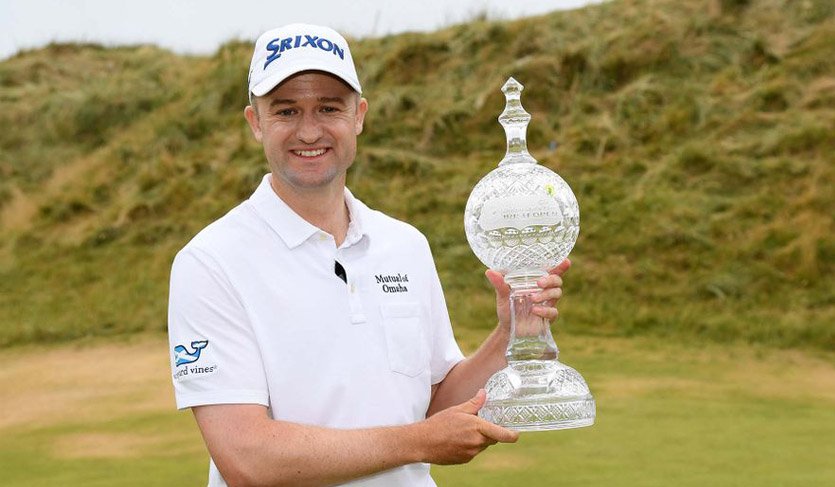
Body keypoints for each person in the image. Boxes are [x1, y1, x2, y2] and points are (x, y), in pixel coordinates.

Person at [167, 23, 570, 487]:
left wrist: (510, 332)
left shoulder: (405, 245)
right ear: (256, 122)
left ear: (358, 115)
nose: (309, 131)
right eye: (286, 110)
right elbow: (247, 458)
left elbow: (435, 407)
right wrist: (417, 442)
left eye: (329, 107)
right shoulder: (210, 262)